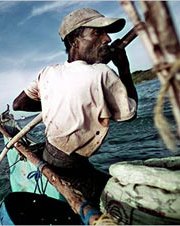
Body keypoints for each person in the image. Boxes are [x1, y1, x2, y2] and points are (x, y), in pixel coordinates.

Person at [12, 8, 138, 214]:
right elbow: (130, 114)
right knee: (129, 205)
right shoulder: (102, 73)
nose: (107, 39)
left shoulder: (48, 72)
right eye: (97, 33)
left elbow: (19, 104)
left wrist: (57, 101)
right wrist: (124, 67)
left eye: (107, 33)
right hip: (70, 168)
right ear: (74, 40)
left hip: (51, 154)